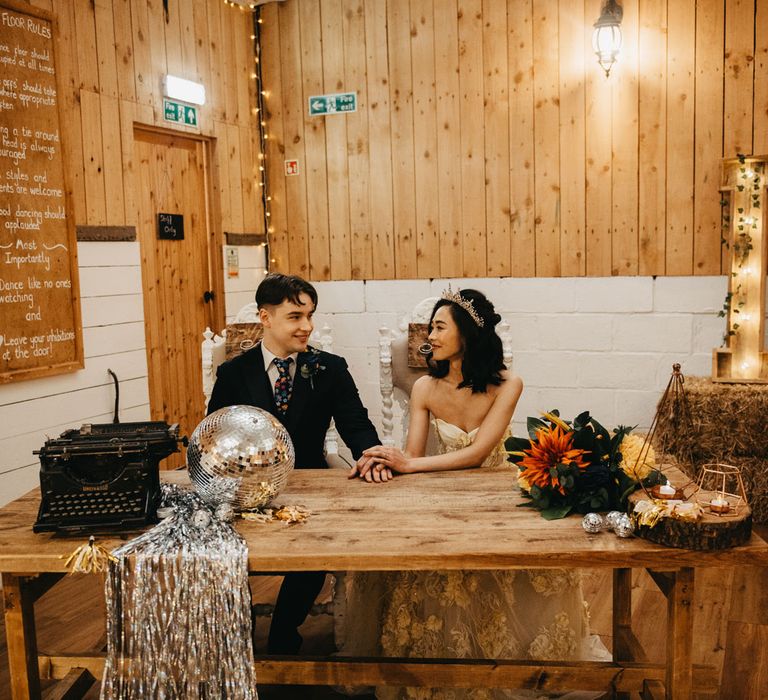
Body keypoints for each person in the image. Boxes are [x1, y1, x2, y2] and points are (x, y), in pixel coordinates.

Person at [344, 288, 608, 700]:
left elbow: (479, 453)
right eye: (430, 327)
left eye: (438, 327)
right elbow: (412, 456)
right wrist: (385, 458)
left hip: (496, 495)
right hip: (441, 498)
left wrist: (410, 464)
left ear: (466, 335)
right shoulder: (425, 388)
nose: (428, 336)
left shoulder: (508, 384)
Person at [207, 273, 382, 655]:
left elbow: (356, 424)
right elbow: (215, 436)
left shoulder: (329, 368)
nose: (307, 326)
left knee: (317, 552)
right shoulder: (234, 374)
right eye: (295, 316)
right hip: (246, 489)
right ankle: (239, 627)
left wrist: (372, 454)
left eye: (310, 315)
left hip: (311, 482)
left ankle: (285, 627)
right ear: (265, 317)